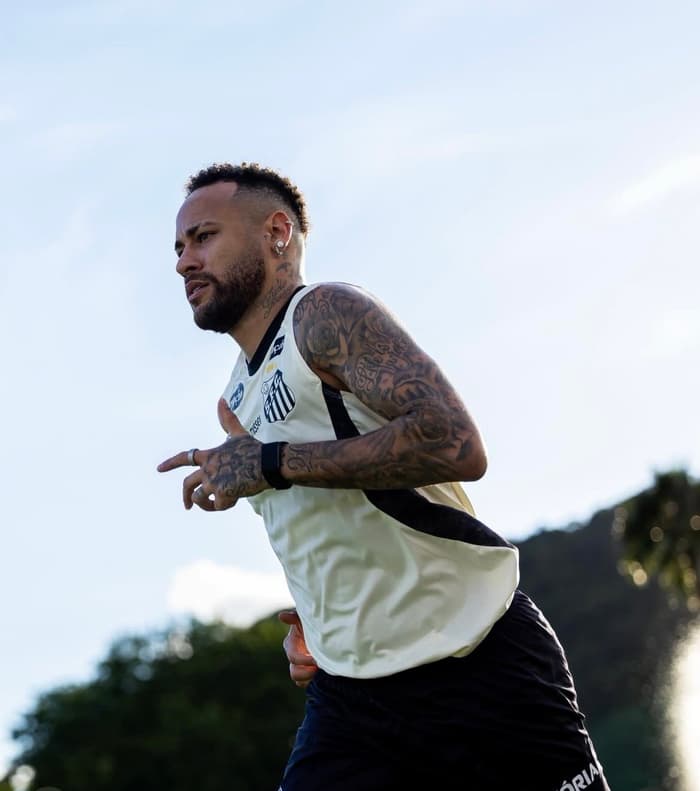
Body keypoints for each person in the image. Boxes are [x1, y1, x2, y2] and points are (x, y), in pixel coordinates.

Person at [158, 162, 609, 791]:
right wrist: (326, 621)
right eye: (178, 248)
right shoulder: (237, 394)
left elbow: (455, 443)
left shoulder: (325, 314)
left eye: (203, 237)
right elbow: (333, 517)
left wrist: (267, 462)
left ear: (278, 231)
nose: (184, 261)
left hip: (476, 660)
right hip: (353, 702)